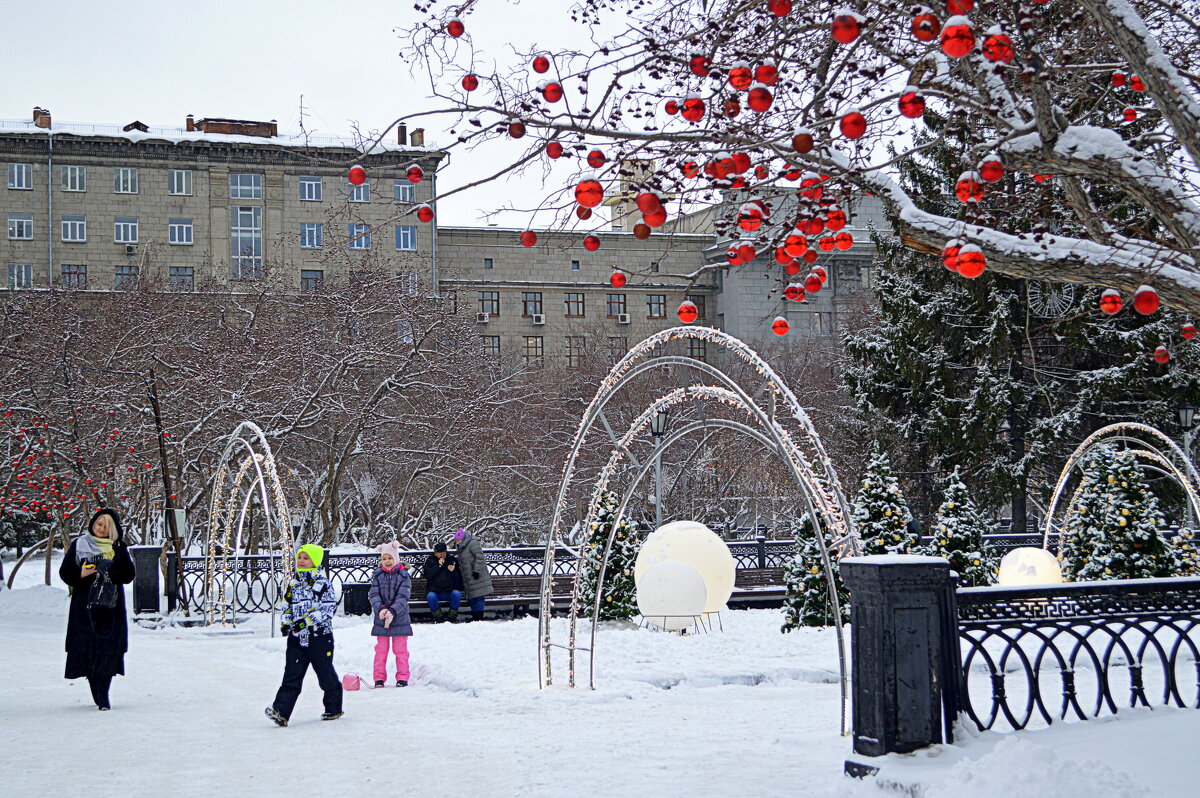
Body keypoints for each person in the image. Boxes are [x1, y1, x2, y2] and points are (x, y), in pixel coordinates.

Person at [59, 508, 136, 710]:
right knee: (89, 650)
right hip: (85, 608)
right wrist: (82, 573)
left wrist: (111, 568)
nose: (101, 529)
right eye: (99, 524)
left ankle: (104, 694)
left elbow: (128, 575)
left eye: (106, 526)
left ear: (113, 529)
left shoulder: (119, 547)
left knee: (109, 650)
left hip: (111, 607)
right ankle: (98, 693)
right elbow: (66, 573)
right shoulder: (80, 545)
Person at [265, 544, 343, 726]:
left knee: (325, 673)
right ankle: (281, 711)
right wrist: (286, 622)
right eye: (300, 557)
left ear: (315, 561)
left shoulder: (323, 584)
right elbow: (286, 605)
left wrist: (305, 621)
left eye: (306, 558)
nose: (301, 561)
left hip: (319, 637)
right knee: (292, 674)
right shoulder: (294, 584)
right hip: (297, 639)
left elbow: (328, 608)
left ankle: (333, 707)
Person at [369, 541, 412, 687]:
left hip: (399, 617)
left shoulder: (403, 576)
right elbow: (373, 594)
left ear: (395, 558)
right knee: (381, 650)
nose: (387, 561)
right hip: (381, 618)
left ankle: (402, 677)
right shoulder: (378, 576)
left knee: (400, 650)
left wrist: (393, 611)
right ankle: (379, 678)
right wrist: (381, 609)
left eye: (389, 558)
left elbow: (403, 596)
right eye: (384, 558)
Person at [454, 528, 494, 622]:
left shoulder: (472, 543)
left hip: (476, 574)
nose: (458, 543)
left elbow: (480, 557)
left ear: (463, 539)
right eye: (457, 541)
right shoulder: (462, 547)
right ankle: (476, 616)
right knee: (472, 595)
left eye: (459, 541)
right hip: (469, 576)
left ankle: (479, 617)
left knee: (478, 595)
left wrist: (476, 570)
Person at [421, 542, 462, 621]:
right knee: (431, 596)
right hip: (435, 590)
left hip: (449, 590)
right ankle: (438, 617)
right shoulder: (430, 561)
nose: (442, 556)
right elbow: (428, 575)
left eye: (444, 553)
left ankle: (452, 617)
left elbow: (459, 579)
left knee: (457, 594)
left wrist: (453, 571)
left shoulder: (451, 560)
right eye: (440, 554)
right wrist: (438, 566)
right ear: (435, 553)